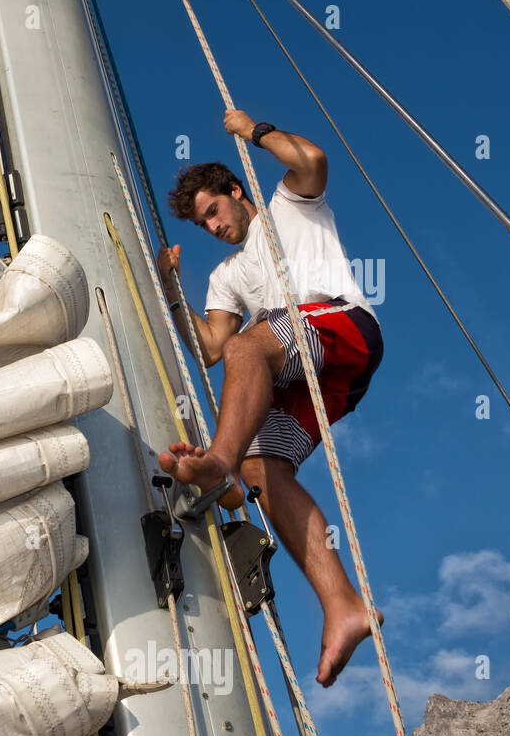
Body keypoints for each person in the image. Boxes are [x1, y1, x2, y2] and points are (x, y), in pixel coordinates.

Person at [156, 109, 383, 687]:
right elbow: (209, 345)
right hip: (318, 377)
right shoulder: (225, 277)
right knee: (265, 468)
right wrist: (170, 290)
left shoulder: (288, 206)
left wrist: (254, 131)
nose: (212, 227)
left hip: (339, 326)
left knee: (248, 350)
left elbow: (312, 161)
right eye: (202, 224)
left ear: (236, 191)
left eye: (214, 211)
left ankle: (218, 465)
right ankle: (344, 606)